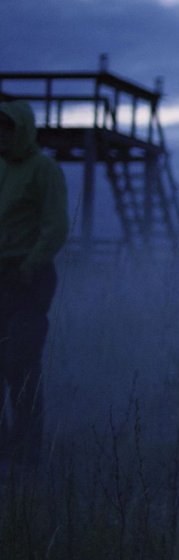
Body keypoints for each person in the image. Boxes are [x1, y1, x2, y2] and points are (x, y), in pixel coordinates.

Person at [0, 100, 68, 468]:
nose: (1, 135)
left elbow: (56, 224)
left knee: (20, 365)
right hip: (1, 274)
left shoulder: (44, 170)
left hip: (27, 278)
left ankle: (27, 459)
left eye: (7, 127)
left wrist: (31, 264)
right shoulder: (1, 169)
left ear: (21, 129)